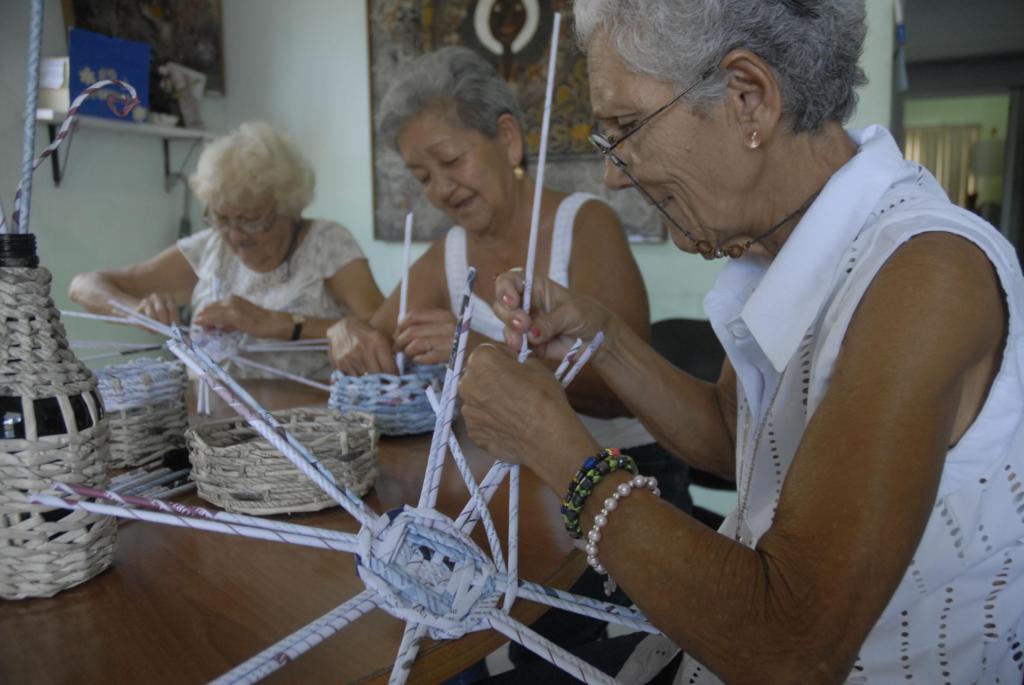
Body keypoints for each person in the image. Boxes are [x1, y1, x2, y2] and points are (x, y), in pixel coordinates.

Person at [460, 1, 1024, 683]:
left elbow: (793, 648)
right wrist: (602, 335)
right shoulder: (779, 244)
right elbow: (740, 440)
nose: (613, 171)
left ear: (748, 98)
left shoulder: (925, 274)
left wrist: (554, 443)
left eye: (628, 127)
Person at [327, 46, 688, 500]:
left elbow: (619, 392)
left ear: (508, 138)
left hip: (624, 472)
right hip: (513, 477)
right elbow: (375, 336)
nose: (439, 189)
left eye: (452, 161)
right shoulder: (448, 254)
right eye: (422, 176)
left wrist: (477, 351)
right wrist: (347, 332)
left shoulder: (585, 224)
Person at [69, 121, 384, 380]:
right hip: (207, 418)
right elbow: (83, 285)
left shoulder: (327, 243)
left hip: (304, 423)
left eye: (251, 220)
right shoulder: (210, 247)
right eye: (222, 218)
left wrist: (281, 324)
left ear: (288, 206)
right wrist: (135, 310)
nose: (235, 235)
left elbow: (381, 332)